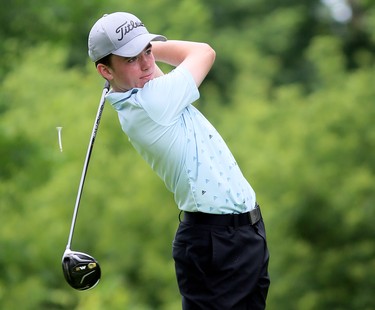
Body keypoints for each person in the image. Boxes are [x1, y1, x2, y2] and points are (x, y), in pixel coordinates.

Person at [88, 12, 270, 309]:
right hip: (217, 243)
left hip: (239, 237)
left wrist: (136, 48)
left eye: (148, 51)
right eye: (131, 59)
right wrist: (146, 45)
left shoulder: (142, 89)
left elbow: (148, 70)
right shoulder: (152, 102)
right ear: (105, 71)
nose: (147, 63)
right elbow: (204, 52)